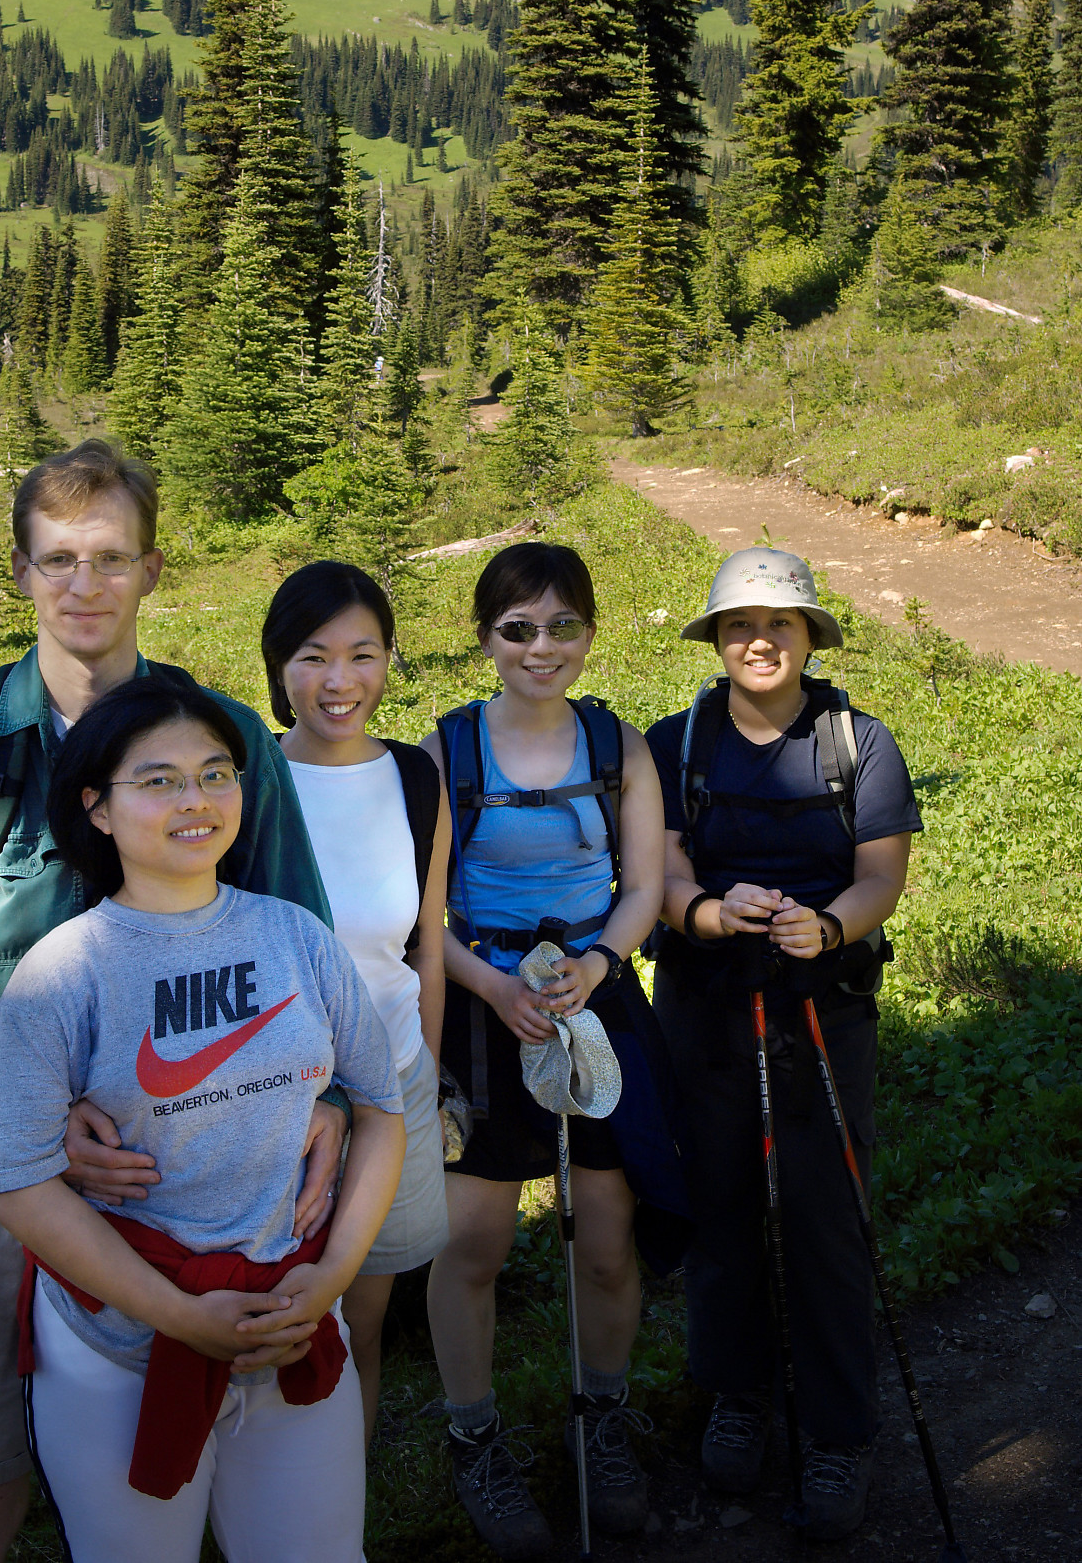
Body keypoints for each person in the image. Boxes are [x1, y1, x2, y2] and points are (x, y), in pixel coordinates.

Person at [0, 440, 347, 1563]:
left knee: (255, 1480)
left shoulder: (226, 744)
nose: (83, 585)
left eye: (110, 558)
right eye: (58, 559)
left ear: (151, 570)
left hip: (217, 1191)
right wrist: (39, 1114)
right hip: (7, 1197)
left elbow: (298, 934)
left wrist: (325, 1093)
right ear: (22, 571)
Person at [0, 675, 407, 1561]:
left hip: (289, 1315)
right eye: (158, 779)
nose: (196, 799)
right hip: (117, 1347)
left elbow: (379, 1109)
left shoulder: (297, 936)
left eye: (215, 773)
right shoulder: (62, 972)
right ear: (97, 807)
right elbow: (20, 1184)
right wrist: (178, 1313)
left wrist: (329, 1279)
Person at [646, 548, 922, 1542]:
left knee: (824, 1216)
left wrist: (829, 925)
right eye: (738, 624)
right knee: (717, 1202)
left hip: (822, 1007)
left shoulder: (857, 740)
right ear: (715, 638)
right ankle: (738, 1391)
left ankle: (838, 1430)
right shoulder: (673, 744)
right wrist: (711, 912)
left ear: (808, 636)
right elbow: (659, 877)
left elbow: (879, 875)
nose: (757, 640)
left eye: (778, 623)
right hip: (706, 1006)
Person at [422, 541, 688, 1561]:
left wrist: (599, 963)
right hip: (481, 1005)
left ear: (589, 630)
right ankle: (474, 1437)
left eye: (562, 625)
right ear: (484, 637)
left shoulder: (618, 745)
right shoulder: (447, 751)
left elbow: (641, 886)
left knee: (608, 1237)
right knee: (474, 1243)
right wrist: (492, 986)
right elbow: (420, 910)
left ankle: (600, 1417)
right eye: (517, 627)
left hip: (593, 998)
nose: (542, 646)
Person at [261, 560, 451, 1444]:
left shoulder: (414, 777)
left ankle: (346, 1489)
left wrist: (429, 1075)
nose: (340, 681)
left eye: (362, 654)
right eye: (313, 656)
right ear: (278, 666)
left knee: (359, 1324)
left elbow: (425, 946)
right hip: (272, 1099)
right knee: (270, 1321)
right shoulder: (245, 781)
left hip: (392, 1086)